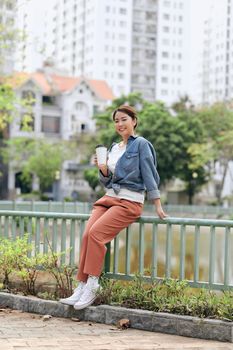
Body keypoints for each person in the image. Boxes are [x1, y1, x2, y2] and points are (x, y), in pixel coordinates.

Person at [60, 105, 167, 310]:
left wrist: (157, 204)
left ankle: (93, 284)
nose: (120, 124)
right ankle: (81, 285)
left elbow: (150, 175)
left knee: (97, 235)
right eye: (116, 121)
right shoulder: (114, 148)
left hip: (129, 202)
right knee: (87, 235)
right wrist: (102, 169)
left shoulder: (142, 145)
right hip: (109, 198)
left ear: (134, 121)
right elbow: (108, 182)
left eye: (124, 119)